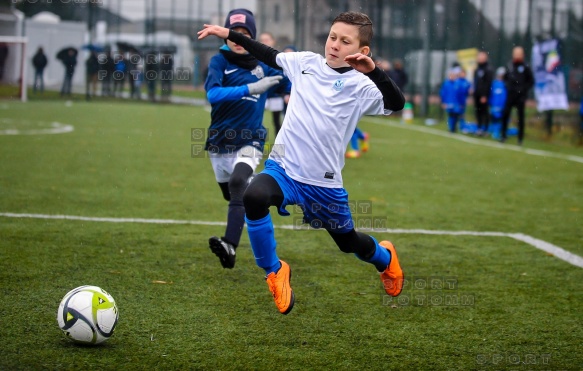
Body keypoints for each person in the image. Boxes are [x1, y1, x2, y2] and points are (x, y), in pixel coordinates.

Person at [198, 11, 405, 315]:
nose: (334, 44)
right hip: (284, 169)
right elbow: (266, 53)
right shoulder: (305, 63)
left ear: (362, 51)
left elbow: (396, 103)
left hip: (324, 184)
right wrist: (228, 34)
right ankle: (274, 270)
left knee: (348, 243)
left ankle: (384, 258)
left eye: (344, 41)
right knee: (253, 195)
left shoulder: (362, 86)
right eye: (332, 36)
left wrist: (374, 72)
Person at [203, 9, 290, 270]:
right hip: (219, 141)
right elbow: (213, 95)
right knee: (231, 195)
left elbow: (293, 87)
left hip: (250, 139)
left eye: (244, 34)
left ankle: (230, 245)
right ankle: (274, 197)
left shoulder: (264, 65)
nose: (238, 39)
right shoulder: (220, 62)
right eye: (234, 33)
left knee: (240, 183)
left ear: (250, 37)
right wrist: (251, 89)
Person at [500, 46, 534, 145]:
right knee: (505, 114)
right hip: (510, 95)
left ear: (522, 55)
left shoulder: (526, 67)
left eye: (519, 53)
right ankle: (503, 136)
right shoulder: (509, 65)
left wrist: (523, 89)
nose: (517, 56)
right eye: (515, 53)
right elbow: (505, 78)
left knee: (520, 117)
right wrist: (508, 86)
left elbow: (531, 81)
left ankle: (520, 139)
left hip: (521, 97)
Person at [259, 32, 288, 137]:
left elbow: (284, 78)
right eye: (262, 40)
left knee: (277, 123)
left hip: (276, 95)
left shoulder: (280, 58)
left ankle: (279, 150)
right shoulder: (256, 58)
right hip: (260, 95)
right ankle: (256, 147)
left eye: (267, 40)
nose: (265, 42)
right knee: (256, 122)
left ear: (273, 41)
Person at [473, 51, 493, 136]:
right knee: (478, 112)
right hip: (477, 94)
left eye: (482, 57)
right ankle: (479, 128)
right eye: (479, 56)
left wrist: (485, 95)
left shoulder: (488, 69)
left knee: (484, 112)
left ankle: (486, 129)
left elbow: (488, 83)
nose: (480, 58)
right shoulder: (477, 69)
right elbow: (476, 82)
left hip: (484, 95)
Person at [440, 67, 462, 133]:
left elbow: (460, 94)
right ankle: (450, 128)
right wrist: (443, 102)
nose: (452, 76)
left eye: (453, 75)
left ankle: (454, 128)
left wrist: (461, 103)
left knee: (456, 115)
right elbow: (443, 93)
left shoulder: (458, 84)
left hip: (456, 104)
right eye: (451, 75)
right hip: (449, 103)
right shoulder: (446, 84)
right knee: (450, 115)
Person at [489, 67, 508, 140]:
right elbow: (491, 94)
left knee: (502, 119)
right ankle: (495, 132)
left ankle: (500, 133)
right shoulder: (494, 83)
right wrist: (490, 103)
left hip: (503, 106)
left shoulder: (505, 84)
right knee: (495, 118)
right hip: (495, 105)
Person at [456, 68, 471, 133]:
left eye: (464, 73)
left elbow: (469, 91)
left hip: (463, 101)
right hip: (456, 101)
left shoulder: (467, 82)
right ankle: (454, 126)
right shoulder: (457, 81)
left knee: (462, 114)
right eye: (461, 73)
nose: (463, 75)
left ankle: (462, 127)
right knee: (455, 114)